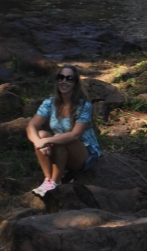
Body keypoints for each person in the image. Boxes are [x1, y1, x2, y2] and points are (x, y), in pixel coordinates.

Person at [26, 64, 102, 196]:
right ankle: (48, 180)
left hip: (85, 151)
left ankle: (55, 183)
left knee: (58, 139)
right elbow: (31, 126)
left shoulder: (84, 106)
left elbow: (75, 135)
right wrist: (38, 141)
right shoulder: (50, 103)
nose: (64, 81)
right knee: (41, 134)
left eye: (69, 78)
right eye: (61, 77)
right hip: (61, 147)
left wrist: (47, 141)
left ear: (75, 83)